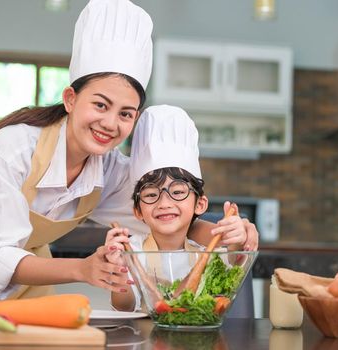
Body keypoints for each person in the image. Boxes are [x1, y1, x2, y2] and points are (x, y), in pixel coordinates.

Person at [0, 0, 258, 303]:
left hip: (26, 286)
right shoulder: (13, 148)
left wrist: (231, 235)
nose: (110, 123)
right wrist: (83, 269)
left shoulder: (110, 171)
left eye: (126, 114)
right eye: (100, 104)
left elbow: (167, 218)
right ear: (70, 99)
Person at [105, 105, 249, 311]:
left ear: (200, 204)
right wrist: (118, 272)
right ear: (138, 210)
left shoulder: (208, 254)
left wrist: (237, 238)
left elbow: (235, 261)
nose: (164, 204)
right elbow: (125, 307)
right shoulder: (132, 251)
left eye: (178, 192)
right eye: (151, 195)